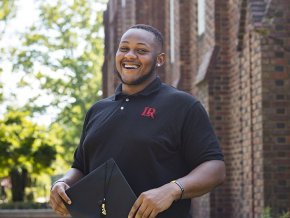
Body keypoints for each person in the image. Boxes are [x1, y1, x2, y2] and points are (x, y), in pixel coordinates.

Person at [50, 24, 226, 218]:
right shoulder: (97, 110)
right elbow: (80, 167)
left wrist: (171, 190)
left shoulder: (183, 105)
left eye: (141, 50)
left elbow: (215, 169)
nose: (130, 55)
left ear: (159, 60)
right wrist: (62, 183)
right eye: (124, 48)